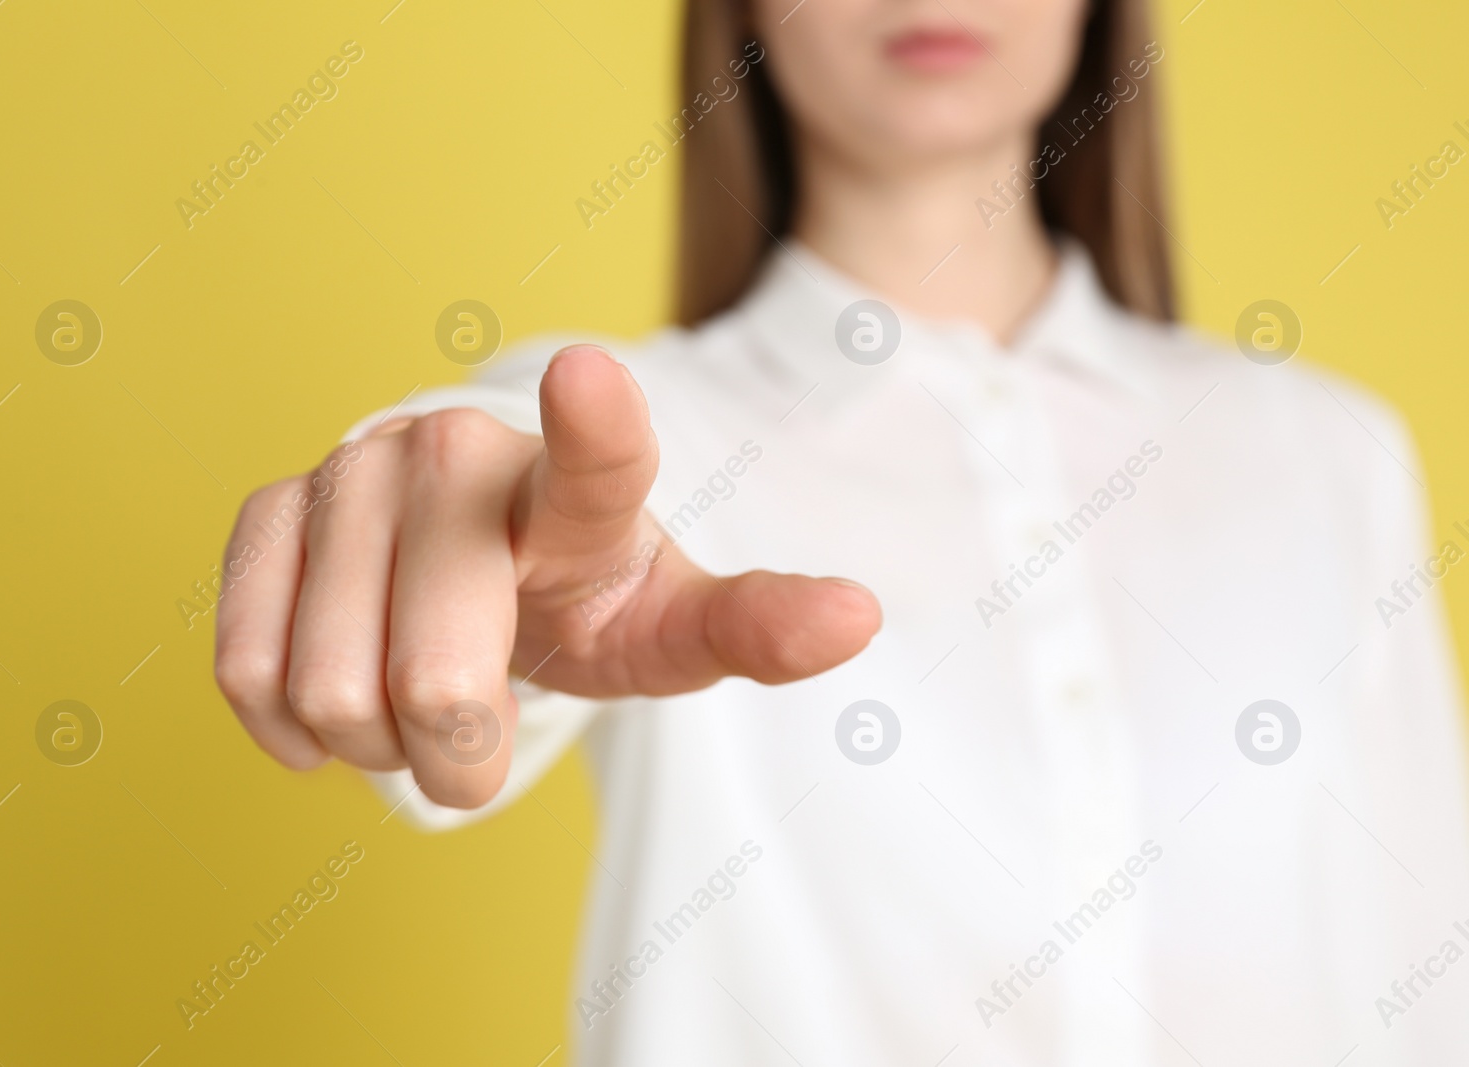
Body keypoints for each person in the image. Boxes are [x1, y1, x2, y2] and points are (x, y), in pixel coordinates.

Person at [214, 0, 1469, 1062]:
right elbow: (489, 471)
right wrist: (433, 520)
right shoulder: (635, 437)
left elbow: (1431, 963)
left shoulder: (1325, 450)